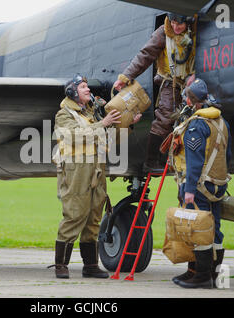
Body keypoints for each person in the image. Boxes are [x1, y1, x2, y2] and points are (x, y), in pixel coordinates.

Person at [51, 74, 141, 279]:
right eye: (83, 87)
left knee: (94, 217)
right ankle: (61, 265)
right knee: (75, 215)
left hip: (96, 170)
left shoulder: (91, 114)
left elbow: (108, 137)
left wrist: (128, 123)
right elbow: (73, 136)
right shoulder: (64, 114)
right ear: (72, 92)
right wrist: (103, 123)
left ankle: (90, 265)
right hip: (77, 172)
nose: (88, 89)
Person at [113, 13, 197, 172]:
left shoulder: (195, 31)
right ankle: (151, 162)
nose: (175, 27)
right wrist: (126, 77)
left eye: (179, 24)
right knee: (165, 118)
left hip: (189, 81)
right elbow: (145, 54)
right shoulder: (162, 32)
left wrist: (194, 74)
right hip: (169, 81)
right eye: (172, 23)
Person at [169, 78, 231, 288]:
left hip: (200, 186)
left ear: (190, 100)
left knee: (199, 229)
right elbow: (227, 155)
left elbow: (194, 162)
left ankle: (202, 276)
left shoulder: (196, 125)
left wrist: (189, 190)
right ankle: (214, 275)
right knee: (215, 229)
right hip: (219, 184)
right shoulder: (222, 122)